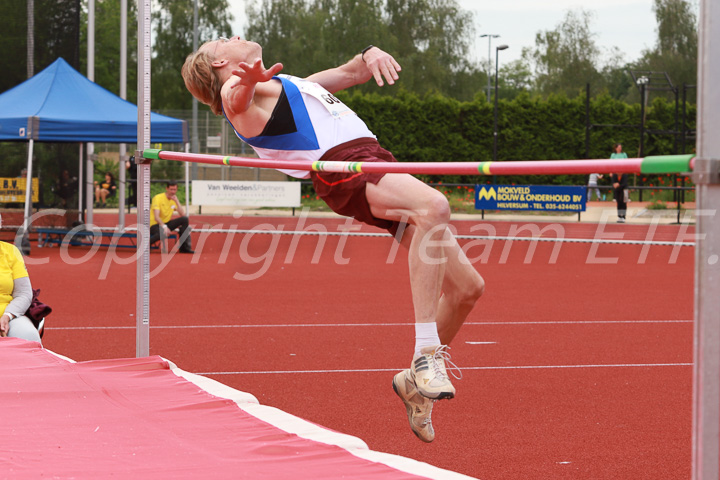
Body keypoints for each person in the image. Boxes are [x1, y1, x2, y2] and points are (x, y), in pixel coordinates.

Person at [182, 39, 484, 442]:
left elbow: (348, 74)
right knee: (434, 207)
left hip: (372, 160)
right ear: (221, 61)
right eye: (225, 41)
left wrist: (369, 53)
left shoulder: (292, 85)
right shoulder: (238, 93)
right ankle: (427, 355)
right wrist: (245, 80)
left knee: (467, 288)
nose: (236, 38)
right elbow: (234, 101)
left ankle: (412, 385)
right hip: (342, 169)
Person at [0, 215, 41, 343]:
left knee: (29, 337)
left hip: (7, 313)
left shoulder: (11, 251)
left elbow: (23, 293)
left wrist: (7, 316)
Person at [149, 181, 194, 254]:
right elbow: (156, 217)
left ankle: (184, 248)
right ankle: (145, 245)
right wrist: (164, 227)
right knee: (163, 233)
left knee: (184, 219)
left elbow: (182, 214)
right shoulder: (158, 198)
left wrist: (177, 201)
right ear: (167, 188)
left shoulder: (173, 199)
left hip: (166, 223)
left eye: (175, 189)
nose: (173, 191)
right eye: (171, 189)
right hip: (155, 224)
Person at [610, 143, 629, 223]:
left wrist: (619, 185)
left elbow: (625, 184)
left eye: (621, 147)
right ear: (616, 148)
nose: (620, 148)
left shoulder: (624, 154)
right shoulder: (613, 155)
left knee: (623, 202)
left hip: (624, 188)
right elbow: (610, 164)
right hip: (618, 188)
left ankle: (623, 216)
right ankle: (619, 216)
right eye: (619, 147)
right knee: (618, 201)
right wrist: (615, 183)